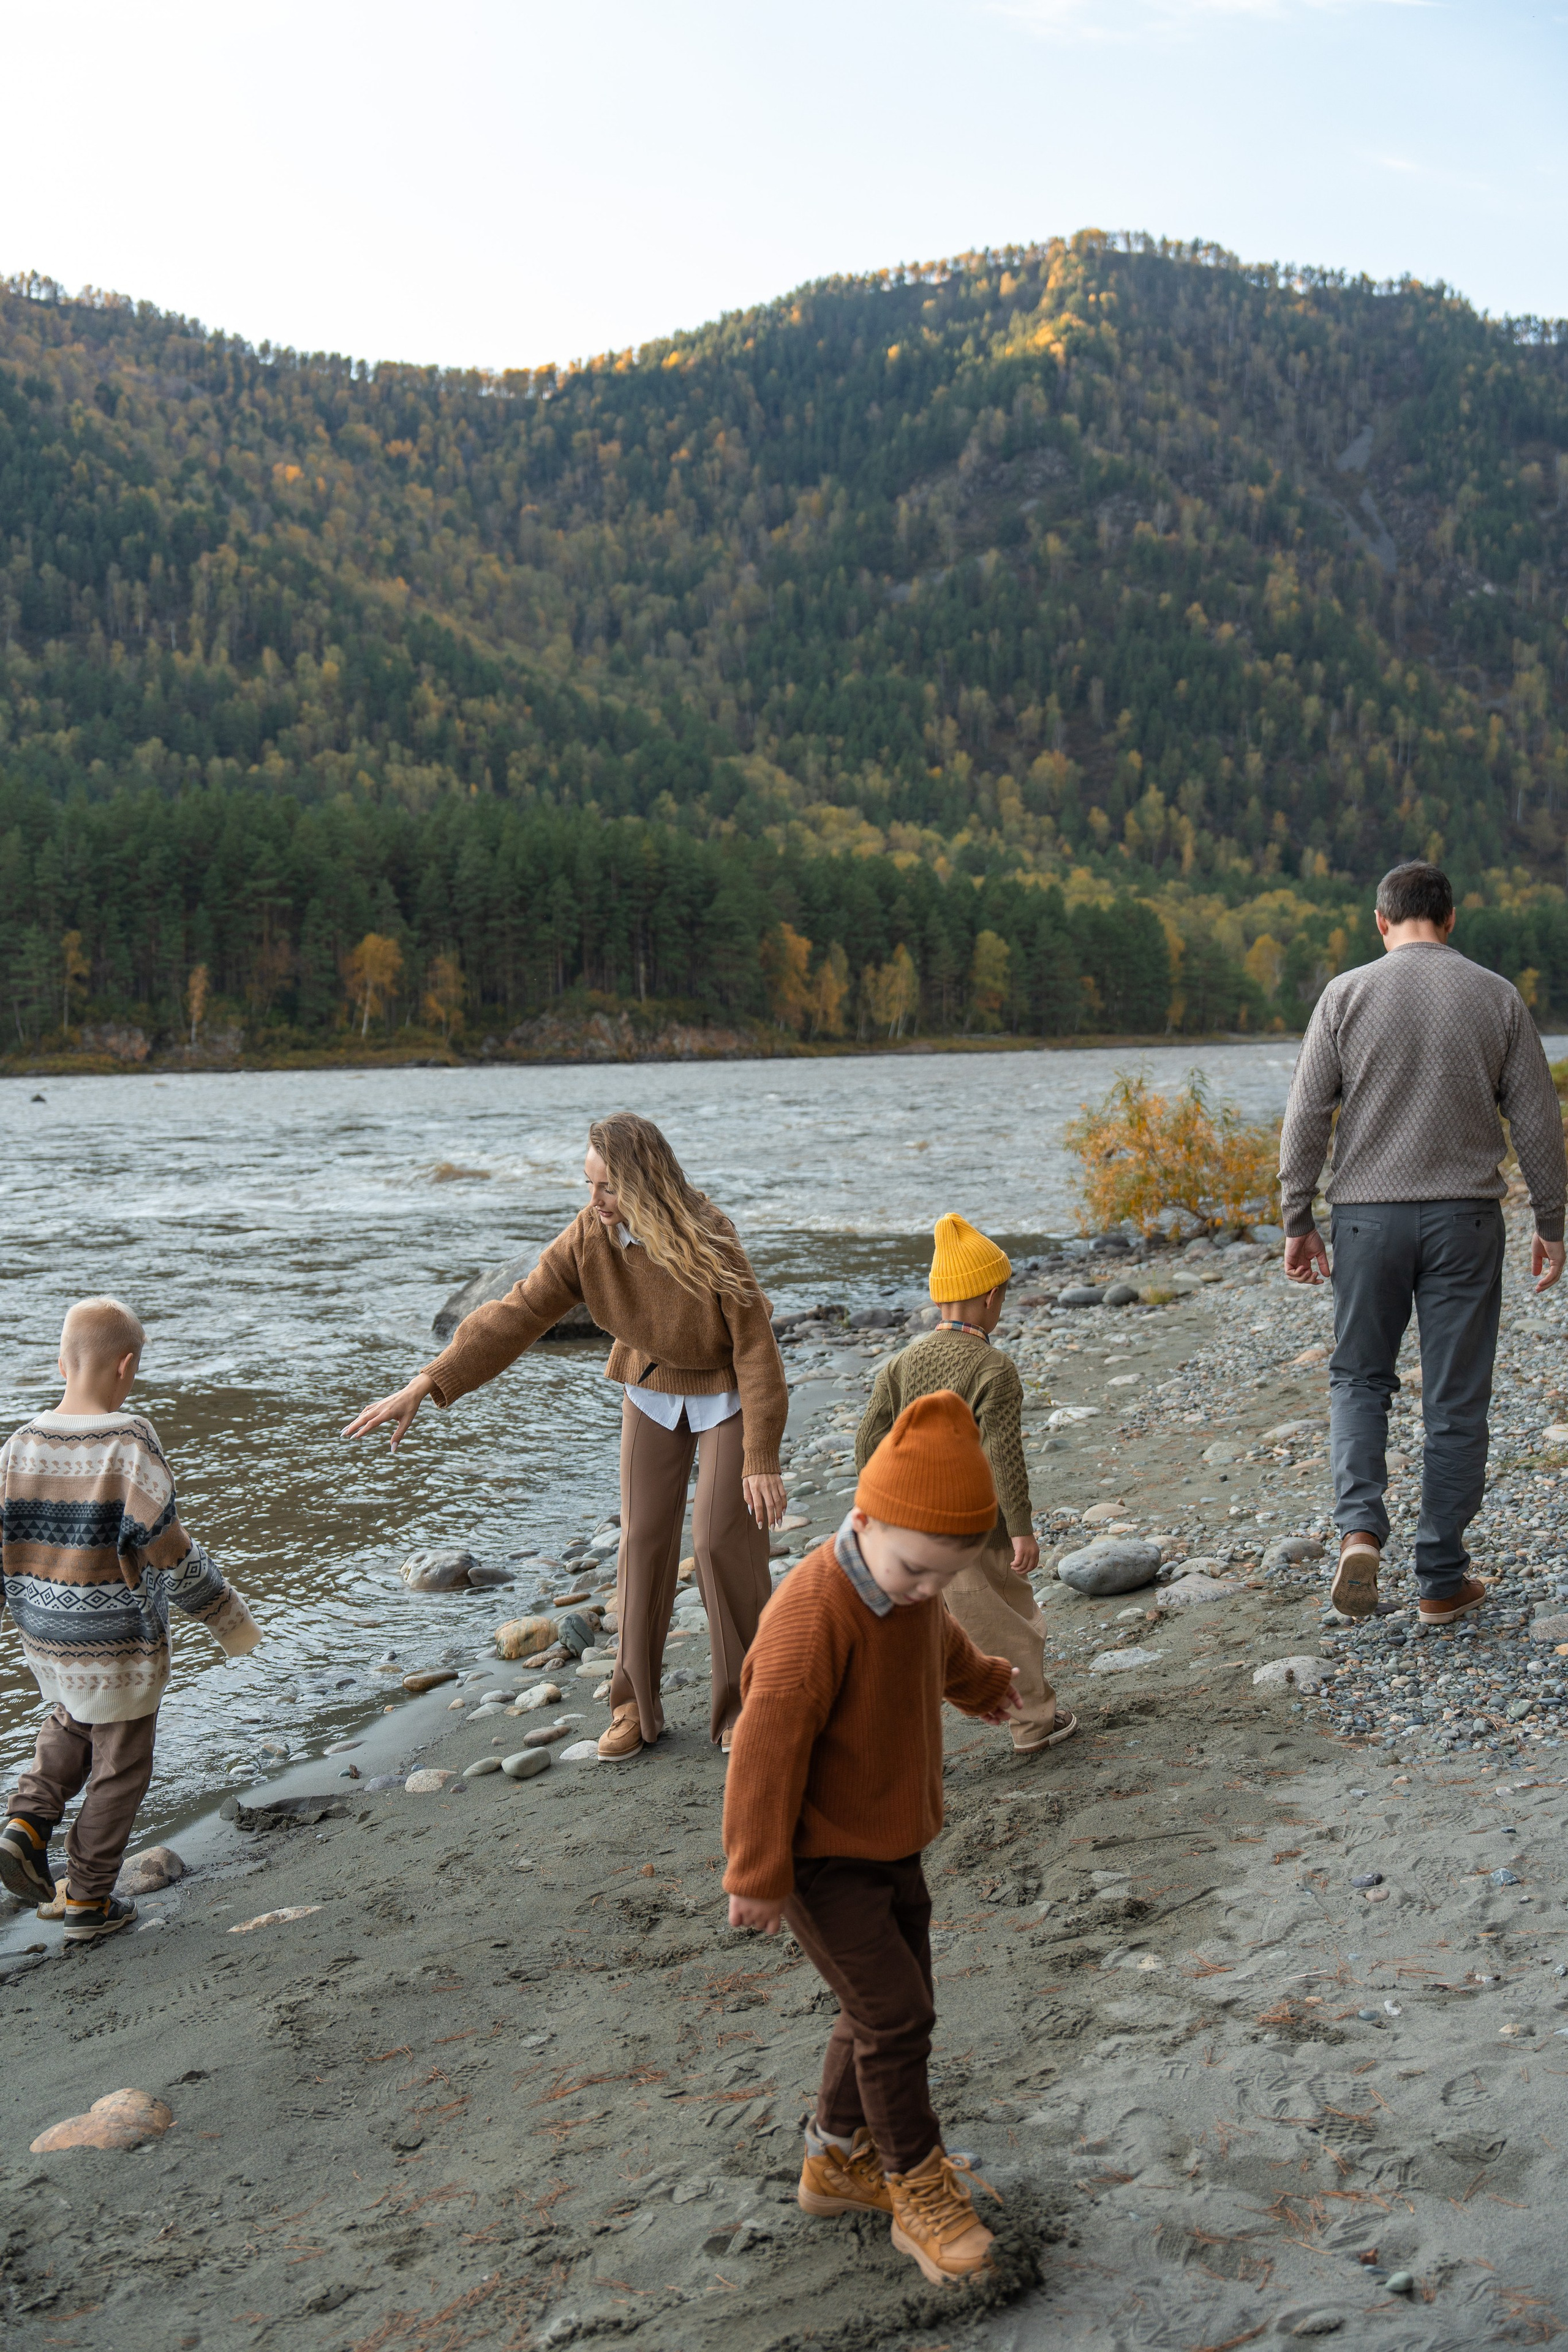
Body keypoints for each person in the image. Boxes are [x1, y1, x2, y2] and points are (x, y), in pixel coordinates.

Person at [343, 1113, 788, 1759]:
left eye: (606, 1187)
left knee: (722, 1539)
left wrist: (761, 1457)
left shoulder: (711, 1234)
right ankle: (635, 1706)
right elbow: (516, 1312)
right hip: (651, 1381)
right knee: (641, 1541)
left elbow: (755, 1347)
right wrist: (426, 1384)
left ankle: (747, 1707)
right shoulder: (589, 1238)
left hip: (725, 1390)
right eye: (588, 1184)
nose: (595, 1201)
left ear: (643, 1183)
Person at [723, 1390, 1020, 2288]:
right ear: (863, 1520)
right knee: (898, 2016)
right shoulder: (812, 1617)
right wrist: (759, 1873)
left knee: (884, 2002)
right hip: (817, 1859)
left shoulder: (913, 1585)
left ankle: (833, 2161)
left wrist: (981, 1685)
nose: (926, 1590)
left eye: (944, 1574)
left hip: (893, 1840)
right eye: (916, 1570)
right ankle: (915, 2184)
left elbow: (939, 1643)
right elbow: (764, 1750)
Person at [1279, 860, 1567, 1627]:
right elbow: (1536, 1120)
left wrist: (1296, 1219)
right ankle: (1441, 1579)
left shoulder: (1344, 994)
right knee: (1455, 1400)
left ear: (1381, 921)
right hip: (1465, 1220)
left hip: (1367, 1219)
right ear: (1450, 918)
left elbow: (1306, 1116)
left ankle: (1358, 1533)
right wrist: (1550, 1222)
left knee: (1358, 1380)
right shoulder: (1495, 995)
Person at [0, 1297, 260, 1941]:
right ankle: (89, 1900)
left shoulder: (18, 1445)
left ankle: (25, 1824)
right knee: (122, 1764)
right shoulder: (128, 1440)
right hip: (116, 1642)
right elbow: (166, 1546)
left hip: (47, 1637)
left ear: (61, 1362)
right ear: (127, 1366)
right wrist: (227, 1618)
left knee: (70, 1721)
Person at [855, 1213, 1074, 1757]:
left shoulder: (899, 1365)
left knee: (918, 1631)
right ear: (991, 1297)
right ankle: (1033, 1724)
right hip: (974, 1531)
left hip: (904, 1526)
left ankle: (897, 1741)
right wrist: (1020, 1530)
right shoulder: (992, 1369)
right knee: (1006, 1622)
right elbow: (1003, 1455)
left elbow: (868, 1443)